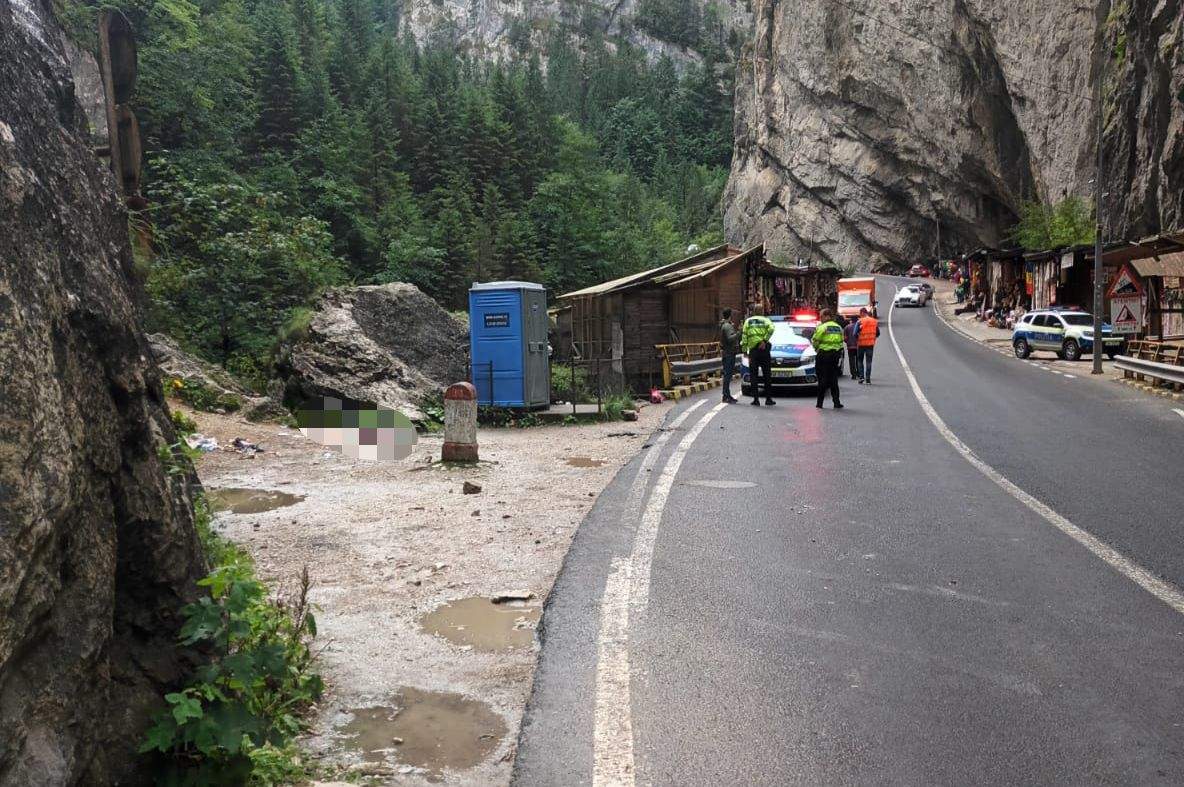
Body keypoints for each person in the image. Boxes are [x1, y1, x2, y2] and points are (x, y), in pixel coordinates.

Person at [741, 304, 776, 406]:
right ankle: (768, 399)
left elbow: (744, 336)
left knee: (753, 375)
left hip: (753, 352)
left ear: (754, 311)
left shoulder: (748, 321)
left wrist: (744, 351)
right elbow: (772, 329)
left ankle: (756, 400)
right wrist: (764, 340)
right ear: (762, 311)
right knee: (767, 375)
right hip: (764, 350)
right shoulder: (766, 320)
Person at [811, 308, 845, 409]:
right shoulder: (838, 328)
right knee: (833, 378)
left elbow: (815, 340)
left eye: (821, 316)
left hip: (823, 355)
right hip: (835, 355)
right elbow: (841, 341)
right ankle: (836, 402)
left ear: (827, 316)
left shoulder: (822, 327)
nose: (820, 318)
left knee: (822, 379)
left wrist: (816, 349)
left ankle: (819, 403)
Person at [719, 308, 740, 404]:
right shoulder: (727, 326)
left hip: (728, 353)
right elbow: (730, 338)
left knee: (728, 375)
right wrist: (739, 333)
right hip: (729, 353)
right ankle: (726, 395)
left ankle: (727, 395)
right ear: (730, 315)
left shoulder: (726, 325)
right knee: (727, 375)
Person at [856, 306, 880, 384]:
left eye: (860, 314)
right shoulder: (874, 321)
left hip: (861, 344)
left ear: (862, 313)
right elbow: (878, 333)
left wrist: (858, 338)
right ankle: (868, 379)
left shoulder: (860, 321)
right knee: (868, 362)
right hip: (870, 345)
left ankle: (861, 377)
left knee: (860, 361)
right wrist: (872, 338)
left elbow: (854, 333)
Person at [842, 315, 861, 380]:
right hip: (858, 346)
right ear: (857, 320)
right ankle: (859, 373)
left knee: (851, 360)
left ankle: (853, 374)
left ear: (851, 320)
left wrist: (847, 342)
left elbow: (845, 338)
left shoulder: (847, 327)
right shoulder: (859, 326)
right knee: (858, 360)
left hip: (850, 347)